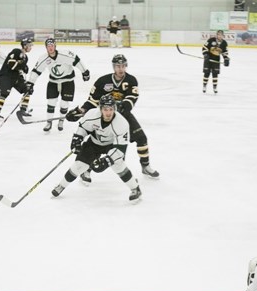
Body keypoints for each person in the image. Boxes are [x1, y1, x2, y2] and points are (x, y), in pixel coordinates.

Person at [66, 53, 159, 181]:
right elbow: (93, 101)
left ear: (126, 66)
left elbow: (132, 98)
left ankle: (145, 166)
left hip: (123, 117)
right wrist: (81, 111)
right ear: (113, 67)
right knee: (95, 143)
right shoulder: (102, 81)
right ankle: (86, 170)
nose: (120, 69)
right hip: (104, 117)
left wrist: (123, 106)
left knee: (141, 138)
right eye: (117, 66)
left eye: (123, 66)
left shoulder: (131, 80)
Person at [51, 94, 141, 203]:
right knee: (79, 165)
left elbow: (120, 149)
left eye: (111, 109)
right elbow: (83, 128)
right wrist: (78, 139)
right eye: (105, 109)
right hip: (94, 142)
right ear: (100, 109)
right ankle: (61, 185)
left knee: (118, 164)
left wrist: (107, 161)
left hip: (112, 146)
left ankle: (135, 188)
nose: (108, 113)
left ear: (114, 108)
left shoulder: (122, 123)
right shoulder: (92, 114)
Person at [26, 37, 90, 132]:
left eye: (52, 46)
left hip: (68, 81)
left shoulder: (65, 54)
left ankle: (61, 120)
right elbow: (36, 71)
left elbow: (76, 60)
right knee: (51, 102)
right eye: (48, 46)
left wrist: (85, 72)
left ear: (55, 46)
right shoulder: (43, 58)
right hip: (53, 82)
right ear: (46, 47)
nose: (50, 48)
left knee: (64, 103)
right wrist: (30, 83)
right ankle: (49, 122)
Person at [0, 37, 33, 119]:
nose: (30, 47)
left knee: (28, 90)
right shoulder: (16, 51)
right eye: (29, 45)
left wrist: (23, 71)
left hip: (16, 77)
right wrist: (22, 65)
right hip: (6, 76)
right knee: (4, 94)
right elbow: (11, 65)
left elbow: (20, 69)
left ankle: (23, 110)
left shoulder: (25, 57)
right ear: (24, 46)